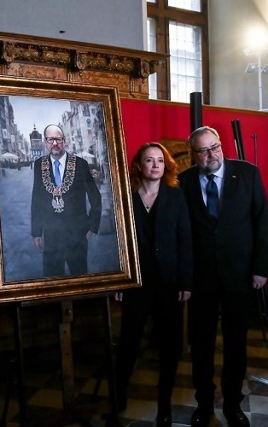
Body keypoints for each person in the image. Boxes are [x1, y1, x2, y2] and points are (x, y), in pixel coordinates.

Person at [179, 126, 268, 427]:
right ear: (194, 154)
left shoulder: (247, 174)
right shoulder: (184, 182)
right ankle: (204, 404)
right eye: (203, 151)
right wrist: (185, 279)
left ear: (221, 145)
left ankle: (233, 404)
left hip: (239, 276)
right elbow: (182, 233)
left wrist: (261, 268)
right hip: (201, 279)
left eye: (215, 147)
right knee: (201, 344)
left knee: (236, 343)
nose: (211, 155)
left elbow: (263, 222)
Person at [115, 143, 193, 427]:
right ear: (140, 165)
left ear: (167, 165)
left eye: (160, 160)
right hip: (136, 283)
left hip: (168, 283)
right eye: (149, 160)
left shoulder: (175, 196)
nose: (155, 165)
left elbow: (185, 240)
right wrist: (119, 280)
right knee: (128, 343)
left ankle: (164, 404)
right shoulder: (127, 196)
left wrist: (186, 281)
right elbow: (118, 241)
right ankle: (118, 397)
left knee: (170, 346)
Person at [31, 124, 102, 276]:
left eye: (57, 139)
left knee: (80, 277)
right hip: (51, 235)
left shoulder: (80, 164)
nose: (54, 144)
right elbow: (36, 198)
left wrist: (92, 226)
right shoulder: (38, 165)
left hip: (77, 234)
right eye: (50, 140)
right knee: (52, 280)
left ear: (64, 141)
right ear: (45, 142)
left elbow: (95, 196)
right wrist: (36, 232)